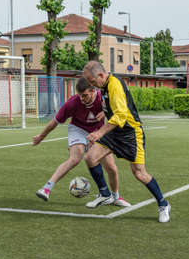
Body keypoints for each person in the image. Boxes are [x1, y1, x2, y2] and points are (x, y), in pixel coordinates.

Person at [82, 61, 171, 223]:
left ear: (101, 75)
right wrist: (104, 111)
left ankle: (163, 204)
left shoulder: (114, 85)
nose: (92, 85)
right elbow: (115, 106)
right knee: (90, 157)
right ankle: (105, 194)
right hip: (116, 131)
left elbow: (121, 116)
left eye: (93, 82)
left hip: (131, 133)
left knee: (139, 173)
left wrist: (99, 132)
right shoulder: (105, 85)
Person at [33, 77, 131, 207]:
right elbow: (54, 122)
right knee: (75, 157)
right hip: (78, 129)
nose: (82, 99)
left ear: (93, 91)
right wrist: (41, 136)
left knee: (111, 168)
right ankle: (46, 188)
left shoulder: (103, 97)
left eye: (84, 95)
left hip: (97, 131)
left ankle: (115, 197)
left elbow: (120, 109)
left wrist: (105, 112)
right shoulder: (72, 103)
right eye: (80, 96)